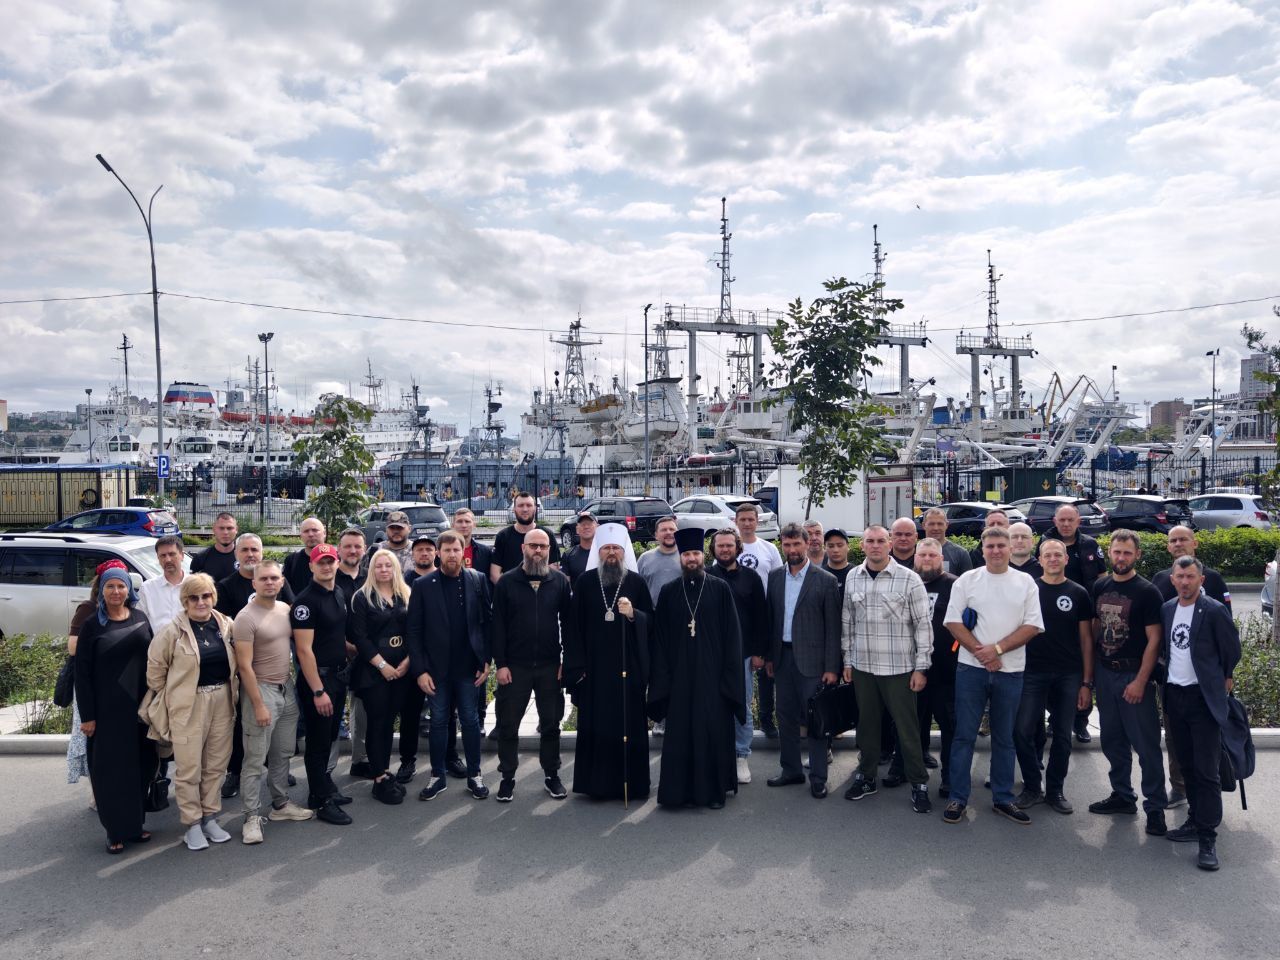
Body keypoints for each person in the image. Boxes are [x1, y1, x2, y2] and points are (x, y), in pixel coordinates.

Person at [942, 526, 1044, 825]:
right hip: (970, 669)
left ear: (1010, 548)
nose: (996, 551)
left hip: (1010, 671)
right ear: (982, 549)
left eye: (1001, 545)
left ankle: (1002, 798)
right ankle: (958, 798)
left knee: (1004, 737)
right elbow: (952, 622)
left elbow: (1032, 626)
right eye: (991, 546)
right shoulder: (967, 580)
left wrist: (996, 650)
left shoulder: (1025, 582)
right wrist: (982, 653)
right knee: (964, 736)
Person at [649, 526, 746, 809]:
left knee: (711, 731)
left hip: (713, 679)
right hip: (679, 678)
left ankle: (712, 793)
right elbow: (660, 639)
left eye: (695, 553)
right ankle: (677, 794)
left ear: (703, 556)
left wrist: (728, 680)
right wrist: (663, 679)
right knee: (680, 734)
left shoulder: (720, 589)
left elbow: (733, 637)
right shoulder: (669, 592)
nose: (691, 559)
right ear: (680, 558)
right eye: (686, 555)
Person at [839, 524, 932, 812]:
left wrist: (921, 667)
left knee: (907, 729)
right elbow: (847, 623)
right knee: (867, 727)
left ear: (889, 544)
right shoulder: (853, 577)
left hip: (899, 668)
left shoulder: (909, 579)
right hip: (864, 667)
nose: (876, 545)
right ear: (863, 545)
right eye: (870, 541)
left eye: (881, 540)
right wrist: (847, 661)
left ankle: (919, 783)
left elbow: (923, 626)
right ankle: (867, 777)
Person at [1160, 556, 1245, 871]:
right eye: (1180, 577)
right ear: (1173, 579)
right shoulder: (1168, 609)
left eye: (1190, 577)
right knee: (1187, 766)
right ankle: (1195, 820)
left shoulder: (1213, 610)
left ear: (1201, 580)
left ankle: (1208, 837)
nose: (1185, 582)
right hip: (1175, 697)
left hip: (1203, 700)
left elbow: (1231, 649)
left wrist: (1223, 675)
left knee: (1207, 771)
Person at [145, 573, 238, 851]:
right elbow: (155, 672)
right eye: (193, 597)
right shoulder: (172, 632)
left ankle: (210, 817)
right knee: (189, 767)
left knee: (216, 764)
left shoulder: (226, 625)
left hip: (222, 699)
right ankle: (192, 824)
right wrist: (175, 697)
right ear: (185, 601)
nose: (200, 602)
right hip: (188, 704)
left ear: (213, 597)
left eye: (206, 596)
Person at [1085, 530, 1169, 836]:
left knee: (1146, 745)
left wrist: (1141, 681)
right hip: (1105, 673)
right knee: (1112, 740)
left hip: (1133, 674)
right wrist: (1090, 675)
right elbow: (1095, 629)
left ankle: (1155, 808)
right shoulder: (1100, 586)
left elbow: (1154, 640)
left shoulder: (1147, 592)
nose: (1121, 558)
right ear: (1109, 553)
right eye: (1117, 552)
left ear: (1138, 555)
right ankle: (1122, 795)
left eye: (1127, 553)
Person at [564, 523, 655, 802]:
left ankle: (634, 784)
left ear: (624, 551)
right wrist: (577, 668)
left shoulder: (636, 583)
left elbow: (652, 623)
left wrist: (633, 614)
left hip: (628, 668)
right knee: (597, 724)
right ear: (599, 552)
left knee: (629, 723)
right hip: (594, 670)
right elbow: (573, 627)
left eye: (616, 548)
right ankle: (598, 785)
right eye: (606, 548)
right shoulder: (585, 582)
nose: (612, 553)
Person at [74, 561, 158, 853]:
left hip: (140, 709)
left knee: (141, 767)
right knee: (111, 771)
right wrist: (88, 716)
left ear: (128, 590)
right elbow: (82, 674)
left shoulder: (140, 617)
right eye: (110, 586)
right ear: (101, 590)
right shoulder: (92, 625)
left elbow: (153, 659)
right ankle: (114, 830)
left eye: (121, 585)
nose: (116, 591)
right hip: (107, 711)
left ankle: (135, 825)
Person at [1149, 524, 1231, 808]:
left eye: (1183, 539)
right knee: (1176, 738)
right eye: (1173, 540)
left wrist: (1227, 674)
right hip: (1172, 679)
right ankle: (1180, 787)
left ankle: (1208, 805)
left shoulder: (1214, 580)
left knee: (1206, 747)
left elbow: (1227, 635)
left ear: (1194, 543)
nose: (1178, 543)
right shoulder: (1161, 580)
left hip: (1206, 682)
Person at [408, 530, 493, 802]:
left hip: (469, 669)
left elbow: (487, 623)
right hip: (436, 671)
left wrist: (486, 660)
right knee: (438, 722)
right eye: (446, 550)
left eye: (456, 549)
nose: (452, 554)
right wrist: (420, 671)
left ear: (463, 551)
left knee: (470, 720)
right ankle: (437, 775)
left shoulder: (477, 580)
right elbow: (414, 631)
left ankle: (475, 775)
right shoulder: (423, 585)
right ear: (438, 553)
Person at [233, 560, 314, 844]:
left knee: (283, 753)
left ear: (282, 582)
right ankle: (251, 817)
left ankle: (280, 805)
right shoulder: (245, 618)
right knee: (255, 759)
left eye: (274, 578)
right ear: (254, 583)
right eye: (264, 578)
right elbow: (244, 667)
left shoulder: (285, 610)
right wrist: (258, 704)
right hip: (261, 690)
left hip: (286, 688)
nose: (269, 582)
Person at [491, 529, 574, 802]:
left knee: (551, 724)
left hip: (550, 666)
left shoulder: (559, 582)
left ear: (549, 550)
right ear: (523, 549)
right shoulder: (506, 582)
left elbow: (569, 624)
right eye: (533, 546)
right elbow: (497, 626)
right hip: (515, 667)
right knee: (508, 724)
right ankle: (507, 777)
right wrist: (501, 664)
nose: (538, 550)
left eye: (543, 546)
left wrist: (565, 660)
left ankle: (552, 775)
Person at [1012, 539, 1093, 814]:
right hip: (1032, 671)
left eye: (1058, 554)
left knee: (1062, 735)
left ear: (1066, 559)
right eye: (1048, 555)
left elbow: (1086, 640)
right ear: (1041, 559)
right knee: (1022, 731)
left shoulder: (1079, 593)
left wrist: (1086, 683)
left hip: (1068, 673)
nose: (1054, 559)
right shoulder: (1029, 590)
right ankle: (1032, 787)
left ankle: (1055, 790)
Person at [214, 533, 294, 800]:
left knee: (274, 733)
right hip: (244, 670)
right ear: (237, 554)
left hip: (278, 675)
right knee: (244, 727)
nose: (250, 554)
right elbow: (222, 625)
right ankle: (235, 772)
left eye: (255, 550)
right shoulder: (226, 587)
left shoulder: (279, 587)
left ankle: (276, 774)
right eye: (245, 550)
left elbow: (290, 611)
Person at [764, 523, 841, 799]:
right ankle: (791, 770)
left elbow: (833, 628)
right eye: (787, 545)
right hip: (782, 659)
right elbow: (771, 620)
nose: (792, 549)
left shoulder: (825, 580)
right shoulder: (774, 577)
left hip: (813, 663)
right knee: (785, 716)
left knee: (816, 720)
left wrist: (831, 667)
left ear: (807, 544)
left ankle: (818, 777)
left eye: (797, 544)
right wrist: (770, 656)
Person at [349, 549, 423, 804]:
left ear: (395, 568)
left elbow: (415, 630)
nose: (383, 570)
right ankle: (379, 778)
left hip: (402, 669)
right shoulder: (362, 597)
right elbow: (360, 637)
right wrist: (382, 665)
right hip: (374, 671)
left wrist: (407, 662)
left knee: (391, 720)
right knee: (378, 723)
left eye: (388, 565)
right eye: (378, 566)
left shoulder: (406, 593)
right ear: (372, 569)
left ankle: (385, 770)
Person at [292, 544, 355, 825]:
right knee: (317, 743)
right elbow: (304, 651)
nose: (327, 567)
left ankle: (324, 788)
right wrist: (318, 691)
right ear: (311, 566)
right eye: (321, 562)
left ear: (337, 563)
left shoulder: (337, 592)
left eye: (331, 561)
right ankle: (320, 801)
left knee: (328, 738)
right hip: (319, 680)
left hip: (338, 677)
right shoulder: (306, 603)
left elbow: (335, 636)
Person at [1038, 503, 1108, 744]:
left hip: (1085, 614)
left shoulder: (1090, 544)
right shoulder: (1045, 542)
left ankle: (1081, 722)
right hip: (1053, 617)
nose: (1066, 524)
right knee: (1052, 671)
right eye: (1062, 520)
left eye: (1071, 520)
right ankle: (1055, 719)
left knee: (1082, 670)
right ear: (1055, 521)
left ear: (1078, 521)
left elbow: (1102, 577)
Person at [708, 528, 769, 785]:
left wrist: (759, 653)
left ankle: (741, 755)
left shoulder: (751, 577)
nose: (725, 550)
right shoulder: (706, 576)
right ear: (713, 549)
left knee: (741, 705)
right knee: (713, 705)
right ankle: (716, 754)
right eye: (720, 546)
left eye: (729, 545)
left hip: (743, 654)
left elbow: (761, 618)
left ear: (737, 548)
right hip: (711, 654)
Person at [902, 538, 958, 797]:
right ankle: (907, 768)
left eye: (932, 555)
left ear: (941, 559)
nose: (926, 559)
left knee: (949, 727)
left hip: (945, 672)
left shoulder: (955, 585)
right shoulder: (905, 582)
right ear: (915, 557)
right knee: (911, 723)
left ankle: (949, 777)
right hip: (910, 668)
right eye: (922, 555)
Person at [737, 501, 783, 739]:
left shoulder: (769, 549)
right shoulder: (729, 546)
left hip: (766, 616)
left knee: (767, 671)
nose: (747, 523)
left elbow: (778, 580)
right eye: (742, 520)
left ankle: (766, 719)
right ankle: (743, 721)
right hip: (739, 620)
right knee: (742, 674)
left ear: (757, 522)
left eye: (750, 519)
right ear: (736, 522)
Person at [489, 492, 561, 581]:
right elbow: (494, 574)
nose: (525, 509)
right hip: (512, 588)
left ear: (535, 508)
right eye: (520, 505)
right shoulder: (503, 536)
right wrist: (507, 588)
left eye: (529, 505)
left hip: (542, 588)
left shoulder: (546, 535)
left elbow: (554, 570)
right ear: (514, 509)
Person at [138, 535, 188, 631]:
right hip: (158, 640)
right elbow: (139, 623)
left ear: (182, 555)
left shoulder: (195, 586)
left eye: (172, 554)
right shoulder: (147, 589)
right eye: (163, 555)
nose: (168, 559)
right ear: (158, 558)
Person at [637, 515, 682, 605]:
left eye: (672, 529)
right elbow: (636, 587)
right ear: (656, 535)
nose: (668, 532)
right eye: (664, 530)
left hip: (682, 611)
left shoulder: (689, 558)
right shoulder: (644, 558)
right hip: (652, 612)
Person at [921, 507, 973, 575]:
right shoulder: (915, 552)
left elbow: (967, 580)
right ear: (923, 525)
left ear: (947, 525)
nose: (936, 528)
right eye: (931, 524)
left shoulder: (961, 554)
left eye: (940, 524)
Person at [283, 516, 327, 593]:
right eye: (306, 531)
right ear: (301, 536)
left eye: (315, 530)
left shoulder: (336, 559)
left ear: (324, 533)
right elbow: (285, 591)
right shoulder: (292, 561)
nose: (310, 534)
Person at [191, 512, 238, 583]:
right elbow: (193, 587)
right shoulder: (200, 558)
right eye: (221, 528)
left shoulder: (244, 557)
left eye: (229, 528)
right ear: (214, 529)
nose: (225, 532)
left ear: (236, 530)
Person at [560, 509, 597, 588]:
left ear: (597, 527)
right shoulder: (568, 555)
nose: (586, 527)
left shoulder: (604, 553)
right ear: (577, 529)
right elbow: (565, 586)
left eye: (589, 524)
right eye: (582, 524)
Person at [452, 507, 494, 575]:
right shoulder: (443, 551)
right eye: (459, 521)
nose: (464, 525)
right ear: (453, 525)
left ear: (474, 525)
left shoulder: (485, 552)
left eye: (467, 521)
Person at [821, 528, 853, 593]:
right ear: (824, 548)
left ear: (848, 546)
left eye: (840, 545)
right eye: (831, 546)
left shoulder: (856, 574)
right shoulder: (819, 575)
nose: (836, 550)